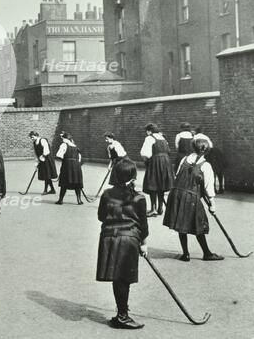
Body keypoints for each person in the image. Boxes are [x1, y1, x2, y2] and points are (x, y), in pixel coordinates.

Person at [96, 159, 148, 330]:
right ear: (133, 177)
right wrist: (143, 244)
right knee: (124, 279)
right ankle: (122, 317)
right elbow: (143, 226)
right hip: (129, 240)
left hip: (109, 239)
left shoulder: (106, 194)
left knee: (118, 277)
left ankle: (121, 314)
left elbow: (101, 217)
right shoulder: (139, 198)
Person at [163, 138, 224, 262]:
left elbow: (178, 175)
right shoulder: (205, 165)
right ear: (207, 151)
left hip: (177, 194)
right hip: (191, 197)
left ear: (193, 148)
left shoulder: (184, 160)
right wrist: (212, 204)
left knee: (180, 223)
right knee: (198, 223)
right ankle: (207, 253)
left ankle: (185, 254)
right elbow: (209, 187)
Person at [140, 123, 174, 217]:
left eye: (147, 131)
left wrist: (146, 161)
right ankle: (160, 208)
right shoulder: (163, 138)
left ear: (149, 131)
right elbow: (168, 151)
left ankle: (153, 209)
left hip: (155, 162)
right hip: (165, 163)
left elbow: (145, 153)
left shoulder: (149, 138)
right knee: (161, 184)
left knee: (153, 184)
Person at [55, 132, 84, 205]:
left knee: (64, 182)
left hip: (67, 165)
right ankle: (79, 200)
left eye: (63, 138)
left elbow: (58, 155)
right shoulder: (76, 146)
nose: (62, 140)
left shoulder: (64, 145)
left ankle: (60, 200)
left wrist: (65, 160)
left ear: (67, 139)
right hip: (76, 166)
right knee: (77, 183)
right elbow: (80, 158)